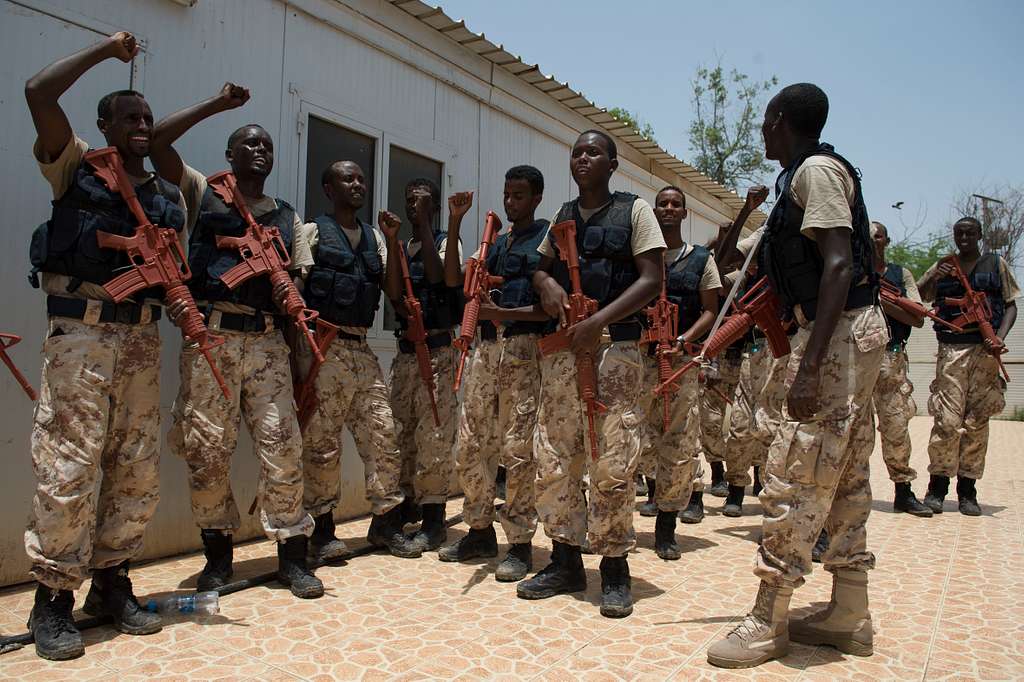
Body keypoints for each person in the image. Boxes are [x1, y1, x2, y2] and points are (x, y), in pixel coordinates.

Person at [708, 83, 887, 668]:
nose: (761, 131)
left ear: (780, 120)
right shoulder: (792, 187)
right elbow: (739, 259)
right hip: (839, 336)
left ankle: (769, 616)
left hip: (834, 339)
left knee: (797, 469)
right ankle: (849, 611)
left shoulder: (816, 171)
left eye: (764, 121)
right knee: (846, 470)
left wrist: (808, 367)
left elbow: (839, 263)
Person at [22, 31, 173, 660]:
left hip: (140, 339)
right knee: (69, 466)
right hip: (82, 334)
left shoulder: (165, 196)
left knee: (136, 466)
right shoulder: (73, 164)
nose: (141, 125)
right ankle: (52, 600)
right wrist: (103, 52)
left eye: (147, 118)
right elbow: (38, 91)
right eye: (129, 117)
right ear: (103, 124)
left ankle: (112, 583)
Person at [151, 86, 323, 599]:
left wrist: (301, 370)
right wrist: (215, 106)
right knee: (207, 451)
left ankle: (292, 556)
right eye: (248, 144)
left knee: (284, 448)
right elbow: (159, 144)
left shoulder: (287, 217)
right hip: (213, 340)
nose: (258, 151)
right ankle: (218, 557)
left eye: (266, 145)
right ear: (230, 154)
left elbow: (297, 291)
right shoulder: (204, 192)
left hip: (269, 344)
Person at [518, 130, 665, 618]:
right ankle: (564, 560)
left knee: (613, 460)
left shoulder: (635, 211)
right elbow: (537, 269)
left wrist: (598, 322)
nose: (583, 158)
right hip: (565, 355)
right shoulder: (561, 216)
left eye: (593, 152)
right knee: (555, 455)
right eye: (576, 153)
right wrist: (548, 288)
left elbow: (651, 279)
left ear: (613, 162)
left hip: (614, 351)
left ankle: (615, 567)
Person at [296, 160, 421, 559]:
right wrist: (300, 355)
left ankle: (385, 524)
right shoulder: (312, 232)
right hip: (325, 346)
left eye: (361, 178)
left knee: (384, 433)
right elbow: (296, 293)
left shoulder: (375, 238)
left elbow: (392, 292)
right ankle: (323, 531)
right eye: (347, 178)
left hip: (361, 347)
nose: (357, 184)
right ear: (329, 189)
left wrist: (394, 239)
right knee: (322, 442)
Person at [438, 165, 550, 581]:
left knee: (518, 451)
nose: (510, 202)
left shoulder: (547, 241)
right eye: (506, 194)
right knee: (469, 445)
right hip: (486, 350)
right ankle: (480, 528)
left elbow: (548, 309)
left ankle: (519, 543)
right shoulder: (495, 244)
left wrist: (497, 311)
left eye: (519, 195)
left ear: (536, 197)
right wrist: (455, 223)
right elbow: (454, 279)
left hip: (523, 351)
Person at [635, 186, 721, 558]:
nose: (669, 208)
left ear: (685, 213)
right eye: (663, 203)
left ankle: (667, 525)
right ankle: (633, 510)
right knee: (635, 438)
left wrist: (683, 340)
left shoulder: (700, 259)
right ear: (654, 211)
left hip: (680, 363)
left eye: (676, 204)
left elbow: (709, 310)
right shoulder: (641, 257)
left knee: (678, 441)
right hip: (641, 360)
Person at [916, 217, 1018, 515]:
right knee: (946, 420)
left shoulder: (995, 264)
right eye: (959, 233)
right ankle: (937, 487)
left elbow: (1011, 304)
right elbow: (921, 296)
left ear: (980, 235)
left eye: (970, 233)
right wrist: (937, 276)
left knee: (977, 421)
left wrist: (998, 337)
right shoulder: (944, 265)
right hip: (952, 349)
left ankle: (967, 490)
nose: (964, 238)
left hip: (984, 352)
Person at [385, 178, 463, 552]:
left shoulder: (446, 242)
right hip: (406, 352)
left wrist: (427, 229)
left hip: (437, 351)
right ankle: (405, 507)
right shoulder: (402, 248)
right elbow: (395, 293)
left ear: (432, 207)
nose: (414, 206)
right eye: (409, 200)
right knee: (402, 432)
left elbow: (438, 277)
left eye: (422, 201)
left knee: (434, 433)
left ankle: (434, 520)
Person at [869, 221, 933, 516]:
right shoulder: (850, 271)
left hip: (891, 360)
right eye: (867, 235)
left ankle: (903, 492)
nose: (873, 240)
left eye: (878, 236)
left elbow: (917, 318)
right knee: (853, 431)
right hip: (857, 358)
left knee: (896, 427)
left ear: (887, 240)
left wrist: (881, 301)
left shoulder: (899, 275)